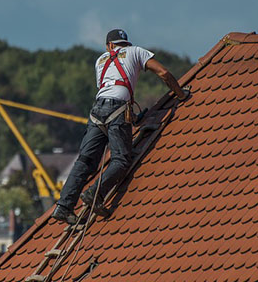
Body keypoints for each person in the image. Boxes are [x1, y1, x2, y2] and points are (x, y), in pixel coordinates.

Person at [51, 29, 187, 224]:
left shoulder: (100, 61)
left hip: (97, 110)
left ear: (109, 45)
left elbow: (108, 87)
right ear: (125, 44)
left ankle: (63, 207)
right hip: (118, 109)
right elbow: (163, 73)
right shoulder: (136, 51)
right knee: (121, 160)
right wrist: (181, 95)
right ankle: (94, 194)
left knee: (86, 161)